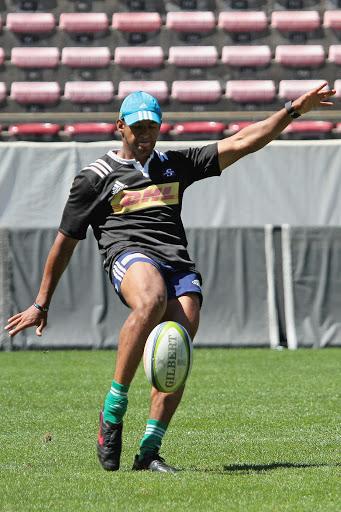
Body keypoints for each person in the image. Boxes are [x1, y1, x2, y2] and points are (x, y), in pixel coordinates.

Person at [4, 83, 335, 473]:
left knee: (176, 346)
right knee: (150, 299)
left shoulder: (174, 164)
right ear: (120, 127)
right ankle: (113, 412)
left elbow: (243, 141)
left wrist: (292, 111)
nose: (145, 134)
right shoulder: (94, 178)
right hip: (129, 256)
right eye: (138, 127)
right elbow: (64, 243)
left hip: (177, 263)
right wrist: (42, 303)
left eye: (152, 127)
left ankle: (149, 450)